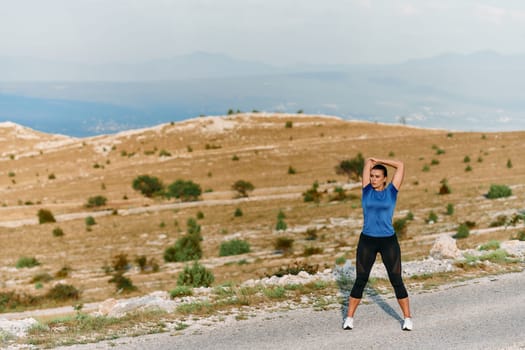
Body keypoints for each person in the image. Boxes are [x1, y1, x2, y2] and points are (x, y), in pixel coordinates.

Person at [343, 157, 412, 331]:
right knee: (361, 280)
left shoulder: (391, 191)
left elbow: (401, 165)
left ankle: (407, 318)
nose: (373, 179)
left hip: (388, 241)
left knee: (396, 280)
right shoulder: (366, 191)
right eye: (372, 176)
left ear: (384, 179)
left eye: (377, 176)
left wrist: (379, 160)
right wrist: (369, 162)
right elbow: (366, 164)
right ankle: (349, 318)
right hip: (367, 240)